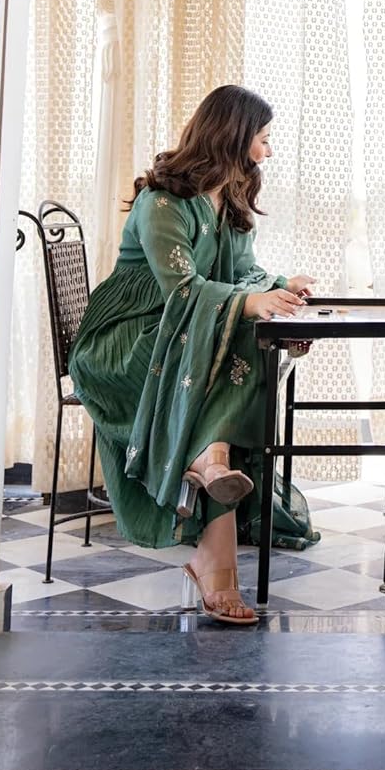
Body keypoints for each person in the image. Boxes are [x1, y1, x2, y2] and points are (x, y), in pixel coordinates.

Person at [70, 85, 319, 626]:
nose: (268, 150)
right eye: (263, 137)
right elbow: (181, 289)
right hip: (127, 340)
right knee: (236, 337)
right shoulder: (162, 201)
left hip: (181, 332)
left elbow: (242, 274)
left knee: (243, 337)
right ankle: (211, 482)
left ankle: (211, 465)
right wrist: (250, 303)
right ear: (234, 135)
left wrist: (278, 288)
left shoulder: (229, 196)